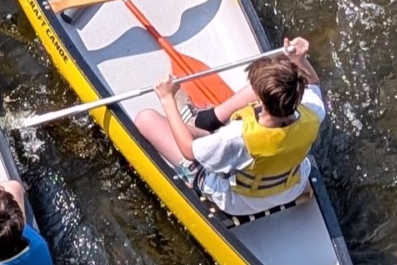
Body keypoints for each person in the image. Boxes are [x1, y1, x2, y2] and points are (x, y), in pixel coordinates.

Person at [131, 39, 326, 218]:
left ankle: (198, 123)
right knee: (213, 138)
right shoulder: (314, 112)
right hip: (292, 188)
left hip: (239, 202)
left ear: (260, 101)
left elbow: (188, 150)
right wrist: (299, 60)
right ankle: (207, 118)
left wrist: (167, 99)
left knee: (146, 119)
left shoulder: (236, 136)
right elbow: (314, 83)